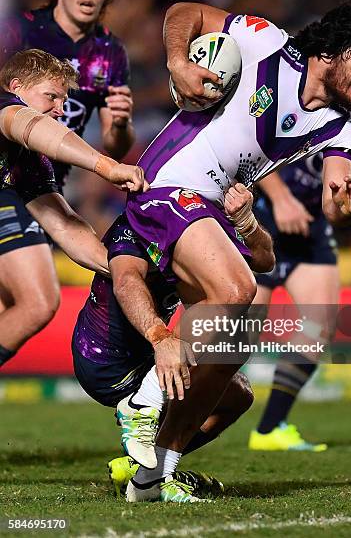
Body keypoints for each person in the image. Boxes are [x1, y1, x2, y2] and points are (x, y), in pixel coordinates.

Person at [110, 0, 351, 501]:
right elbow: (185, 12)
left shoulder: (345, 125)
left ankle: (154, 476)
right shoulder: (266, 42)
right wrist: (179, 63)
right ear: (331, 52)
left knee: (233, 346)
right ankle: (146, 399)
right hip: (167, 182)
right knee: (239, 286)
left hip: (213, 206)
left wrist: (345, 204)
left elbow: (338, 191)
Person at [72, 184, 274, 502]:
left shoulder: (206, 223)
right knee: (231, 340)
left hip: (146, 356)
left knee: (238, 393)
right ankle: (155, 469)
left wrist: (246, 221)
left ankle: (147, 469)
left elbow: (265, 260)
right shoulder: (142, 219)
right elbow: (126, 281)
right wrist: (160, 337)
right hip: (106, 360)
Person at [248, 86, 351, 452]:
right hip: (261, 217)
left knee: (320, 323)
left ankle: (270, 428)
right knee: (237, 332)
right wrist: (280, 200)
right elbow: (254, 143)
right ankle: (170, 414)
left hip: (313, 225)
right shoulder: (297, 86)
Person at [0, 48, 145, 367]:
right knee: (37, 302)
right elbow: (29, 124)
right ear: (16, 87)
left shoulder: (32, 165)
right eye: (51, 97)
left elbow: (64, 225)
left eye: (64, 102)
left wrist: (124, 269)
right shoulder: (6, 108)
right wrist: (108, 167)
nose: (60, 109)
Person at [0, 0, 134, 189]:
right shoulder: (20, 30)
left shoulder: (111, 53)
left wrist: (121, 125)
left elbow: (115, 145)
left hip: (51, 184)